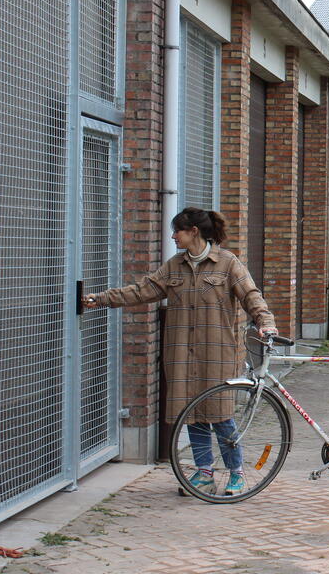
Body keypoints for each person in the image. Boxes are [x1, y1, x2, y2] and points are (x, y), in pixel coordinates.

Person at [83, 207, 277, 495]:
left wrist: (266, 322)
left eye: (178, 231)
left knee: (220, 414)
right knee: (193, 414)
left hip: (218, 354)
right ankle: (204, 474)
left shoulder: (227, 263)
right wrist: (100, 299)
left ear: (194, 232)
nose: (173, 236)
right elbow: (142, 290)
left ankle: (237, 473)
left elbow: (251, 296)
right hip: (182, 356)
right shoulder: (174, 266)